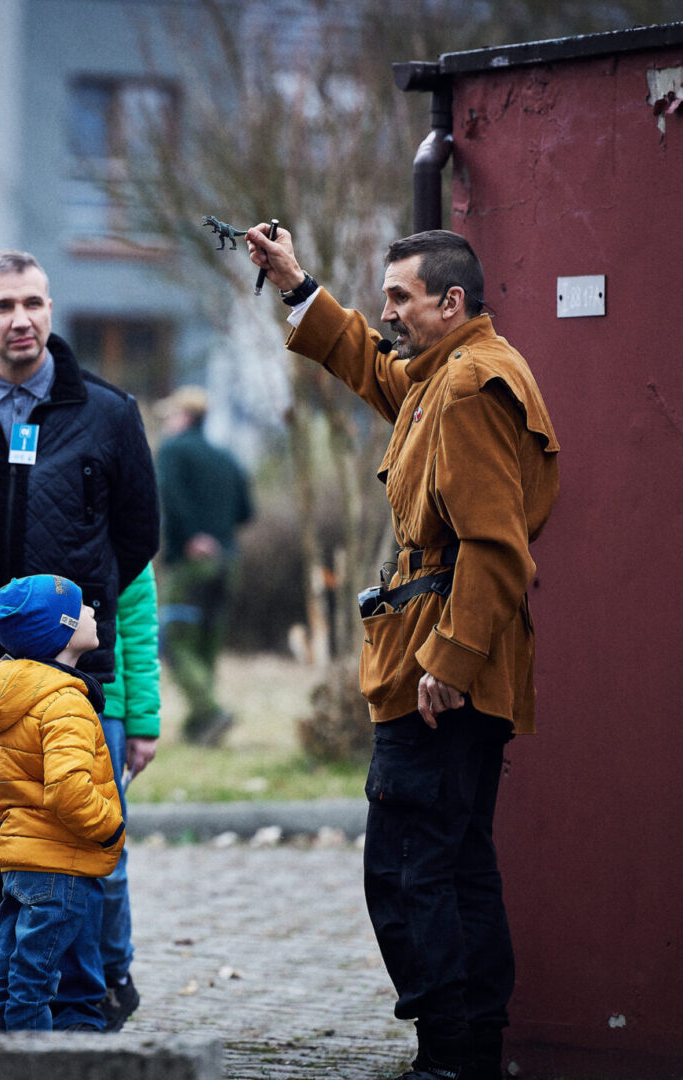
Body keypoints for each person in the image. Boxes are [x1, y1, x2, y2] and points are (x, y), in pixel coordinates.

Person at [246, 225, 559, 1080]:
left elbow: (495, 550)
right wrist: (297, 284)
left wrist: (447, 664)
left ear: (448, 302)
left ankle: (450, 1058)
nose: (387, 314)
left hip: (441, 672)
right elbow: (376, 371)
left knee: (411, 871)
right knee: (453, 863)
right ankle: (469, 1051)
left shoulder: (463, 389)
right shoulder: (450, 374)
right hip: (446, 663)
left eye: (399, 299)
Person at [0, 249, 159, 1026]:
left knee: (82, 844)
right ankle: (11, 1005)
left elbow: (136, 535)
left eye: (34, 303)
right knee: (3, 843)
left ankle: (83, 1007)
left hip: (81, 674)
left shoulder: (107, 413)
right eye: (3, 306)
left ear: (50, 309)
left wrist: (83, 611)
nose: (21, 319)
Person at [0, 575, 125, 1031]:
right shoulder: (63, 703)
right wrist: (110, 827)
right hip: (59, 866)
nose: (94, 612)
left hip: (20, 861)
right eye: (82, 609)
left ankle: (0, 1061)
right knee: (35, 983)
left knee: (10, 977)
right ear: (59, 631)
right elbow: (68, 790)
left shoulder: (19, 692)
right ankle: (31, 1065)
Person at [155, 386, 254, 746]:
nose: (165, 422)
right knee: (206, 646)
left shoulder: (172, 450)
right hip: (228, 562)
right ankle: (200, 728)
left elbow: (168, 494)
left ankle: (210, 712)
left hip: (190, 563)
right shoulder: (226, 457)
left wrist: (190, 536)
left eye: (169, 415)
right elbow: (246, 511)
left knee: (173, 642)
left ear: (184, 416)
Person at [87, 562, 160, 1030]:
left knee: (106, 852)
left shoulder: (125, 545)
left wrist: (143, 724)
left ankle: (114, 974)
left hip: (108, 707)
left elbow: (138, 632)